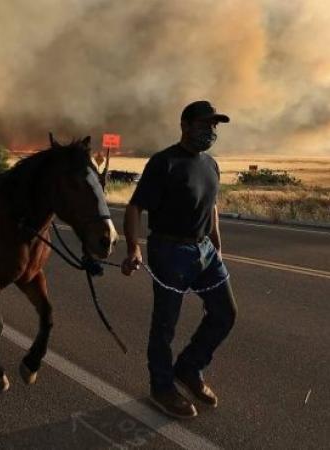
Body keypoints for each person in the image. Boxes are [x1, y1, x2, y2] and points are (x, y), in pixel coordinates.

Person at [121, 100, 237, 419]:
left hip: (205, 251)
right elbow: (135, 207)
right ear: (185, 125)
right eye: (205, 124)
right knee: (165, 325)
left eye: (215, 125)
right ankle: (162, 387)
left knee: (225, 313)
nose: (211, 130)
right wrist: (133, 247)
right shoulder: (164, 162)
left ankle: (188, 368)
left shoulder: (211, 164)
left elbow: (211, 209)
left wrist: (217, 248)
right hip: (170, 251)